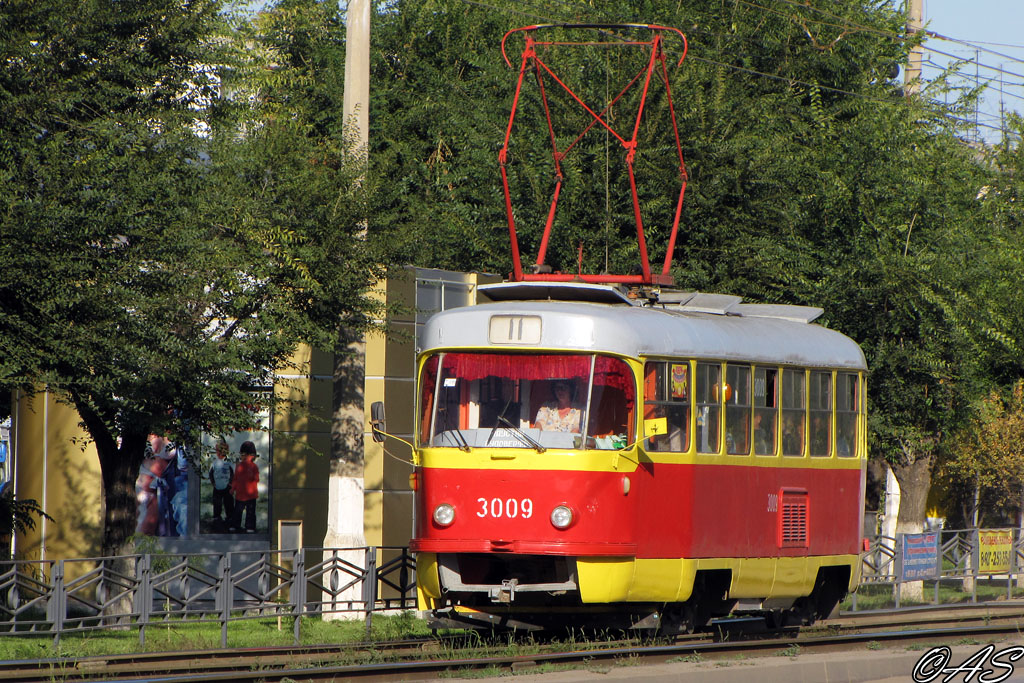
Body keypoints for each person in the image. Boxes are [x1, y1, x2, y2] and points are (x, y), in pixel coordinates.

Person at [230, 441, 260, 533]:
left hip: (240, 494)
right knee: (250, 512)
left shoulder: (239, 466)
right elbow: (256, 479)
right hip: (251, 494)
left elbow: (235, 479)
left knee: (237, 511)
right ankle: (250, 527)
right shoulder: (254, 466)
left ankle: (234, 526)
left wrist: (232, 489)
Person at [208, 439, 234, 530]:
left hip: (227, 487)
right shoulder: (214, 463)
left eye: (222, 451)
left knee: (229, 504)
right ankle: (217, 519)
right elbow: (211, 473)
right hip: (217, 487)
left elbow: (232, 473)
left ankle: (230, 520)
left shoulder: (228, 462)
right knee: (217, 504)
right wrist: (213, 483)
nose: (220, 453)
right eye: (218, 451)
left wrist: (230, 484)